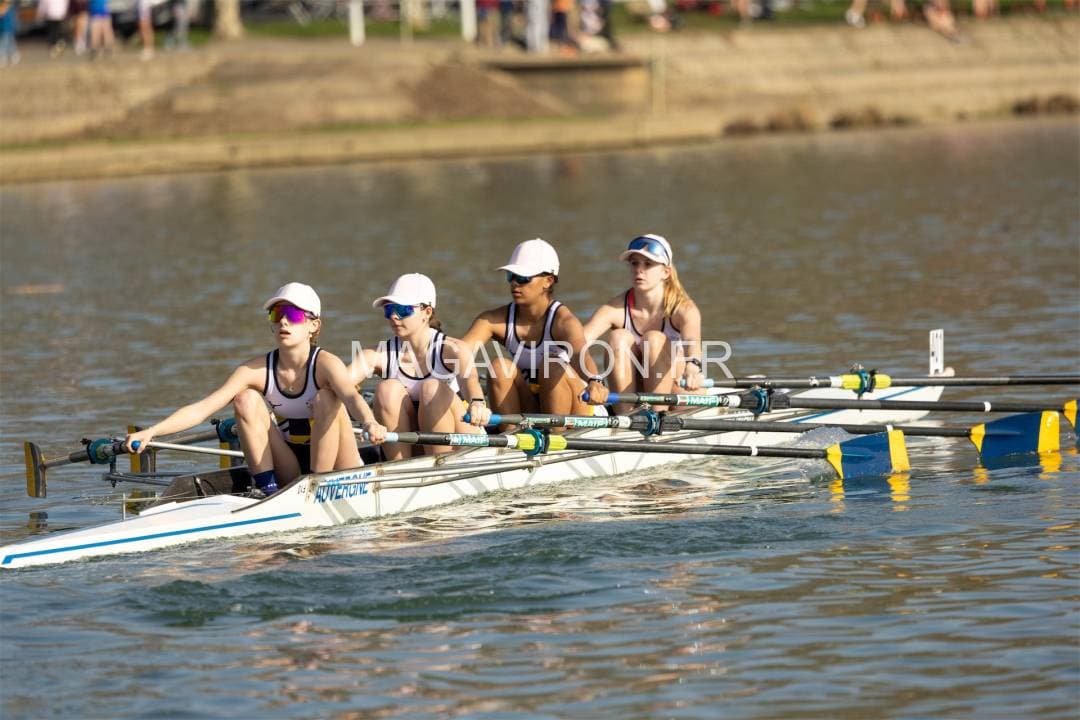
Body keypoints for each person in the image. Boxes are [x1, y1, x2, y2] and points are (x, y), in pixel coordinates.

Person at [125, 283, 387, 496]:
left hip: (340, 465)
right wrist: (153, 431)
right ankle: (268, 489)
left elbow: (352, 397)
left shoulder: (326, 364)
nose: (284, 322)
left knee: (327, 397)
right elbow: (203, 408)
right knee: (245, 399)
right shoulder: (255, 369)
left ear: (314, 325)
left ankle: (318, 485)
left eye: (294, 315)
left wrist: (370, 422)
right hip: (290, 463)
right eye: (276, 314)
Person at [461, 238, 609, 421]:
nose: (514, 283)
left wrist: (595, 380)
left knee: (550, 366)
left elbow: (581, 355)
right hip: (534, 405)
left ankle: (557, 433)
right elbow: (460, 352)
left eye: (523, 278)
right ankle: (511, 434)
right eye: (511, 276)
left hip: (578, 408)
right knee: (500, 367)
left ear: (548, 281)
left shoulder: (563, 321)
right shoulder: (494, 320)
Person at [350, 273, 491, 460]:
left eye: (403, 310)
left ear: (427, 312)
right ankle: (399, 467)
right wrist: (367, 420)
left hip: (462, 443)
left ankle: (441, 464)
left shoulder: (452, 350)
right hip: (413, 446)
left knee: (431, 387)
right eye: (389, 309)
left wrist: (478, 403)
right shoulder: (376, 355)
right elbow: (340, 385)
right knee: (387, 389)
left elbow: (469, 379)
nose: (394, 316)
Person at [583, 234, 703, 415]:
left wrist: (693, 367)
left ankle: (658, 416)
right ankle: (626, 418)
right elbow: (578, 343)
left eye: (648, 264)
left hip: (678, 392)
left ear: (666, 272)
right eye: (634, 263)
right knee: (618, 337)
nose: (639, 270)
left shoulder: (684, 309)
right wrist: (593, 378)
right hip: (636, 397)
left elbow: (692, 341)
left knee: (653, 339)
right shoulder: (615, 308)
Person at [0, 0, 19, 67]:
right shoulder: (5, 8)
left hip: (7, 29)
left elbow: (12, 20)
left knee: (4, 44)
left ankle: (3, 58)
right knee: (11, 43)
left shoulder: (8, 9)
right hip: (4, 29)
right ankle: (15, 56)